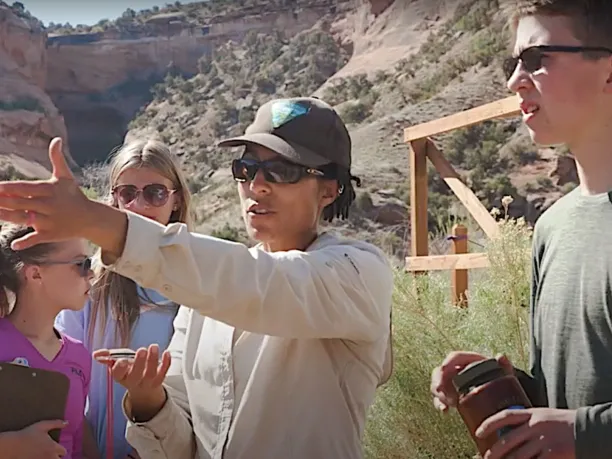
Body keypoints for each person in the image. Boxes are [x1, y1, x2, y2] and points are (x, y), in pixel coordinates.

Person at [0, 96, 394, 458]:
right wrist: (147, 400)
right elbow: (183, 441)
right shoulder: (201, 303)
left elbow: (263, 285)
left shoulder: (358, 273)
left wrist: (94, 220)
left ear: (329, 189)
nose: (256, 185)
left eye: (282, 171)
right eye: (247, 169)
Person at [430, 1, 612, 458]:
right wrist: (504, 388)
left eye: (535, 60)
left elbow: (579, 425)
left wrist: (585, 433)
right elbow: (564, 399)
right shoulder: (553, 227)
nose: (514, 81)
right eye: (513, 64)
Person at [55, 139, 193, 459]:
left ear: (175, 200)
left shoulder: (196, 284)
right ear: (114, 199)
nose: (139, 205)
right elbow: (67, 378)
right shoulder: (88, 284)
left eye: (155, 193)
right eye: (127, 193)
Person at [0, 223, 93, 458]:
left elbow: (78, 439)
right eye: (81, 264)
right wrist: (10, 447)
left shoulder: (80, 355)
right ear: (35, 274)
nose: (91, 273)